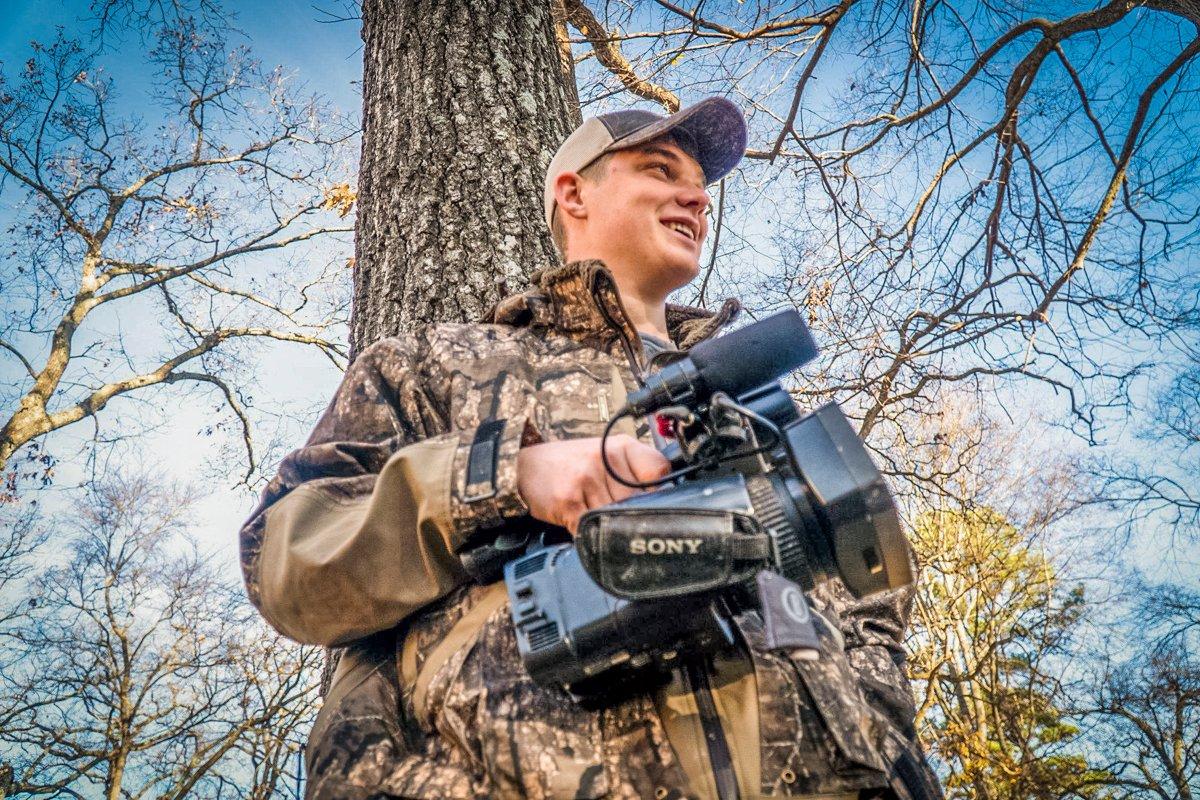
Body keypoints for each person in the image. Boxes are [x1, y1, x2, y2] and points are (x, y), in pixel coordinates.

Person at [239, 98, 943, 800]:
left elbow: (874, 620)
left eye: (701, 185)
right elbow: (287, 563)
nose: (697, 197)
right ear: (573, 193)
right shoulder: (430, 367)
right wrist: (508, 474)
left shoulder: (750, 411)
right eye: (661, 169)